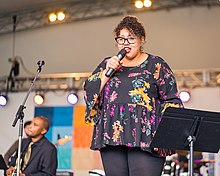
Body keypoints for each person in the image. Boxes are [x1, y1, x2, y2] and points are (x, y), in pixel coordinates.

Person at [83, 15, 183, 176]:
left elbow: (171, 100)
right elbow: (90, 93)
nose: (126, 43)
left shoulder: (156, 64)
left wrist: (165, 137)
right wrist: (106, 75)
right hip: (112, 136)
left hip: (147, 137)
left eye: (131, 38)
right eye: (121, 39)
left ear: (142, 40)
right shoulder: (107, 64)